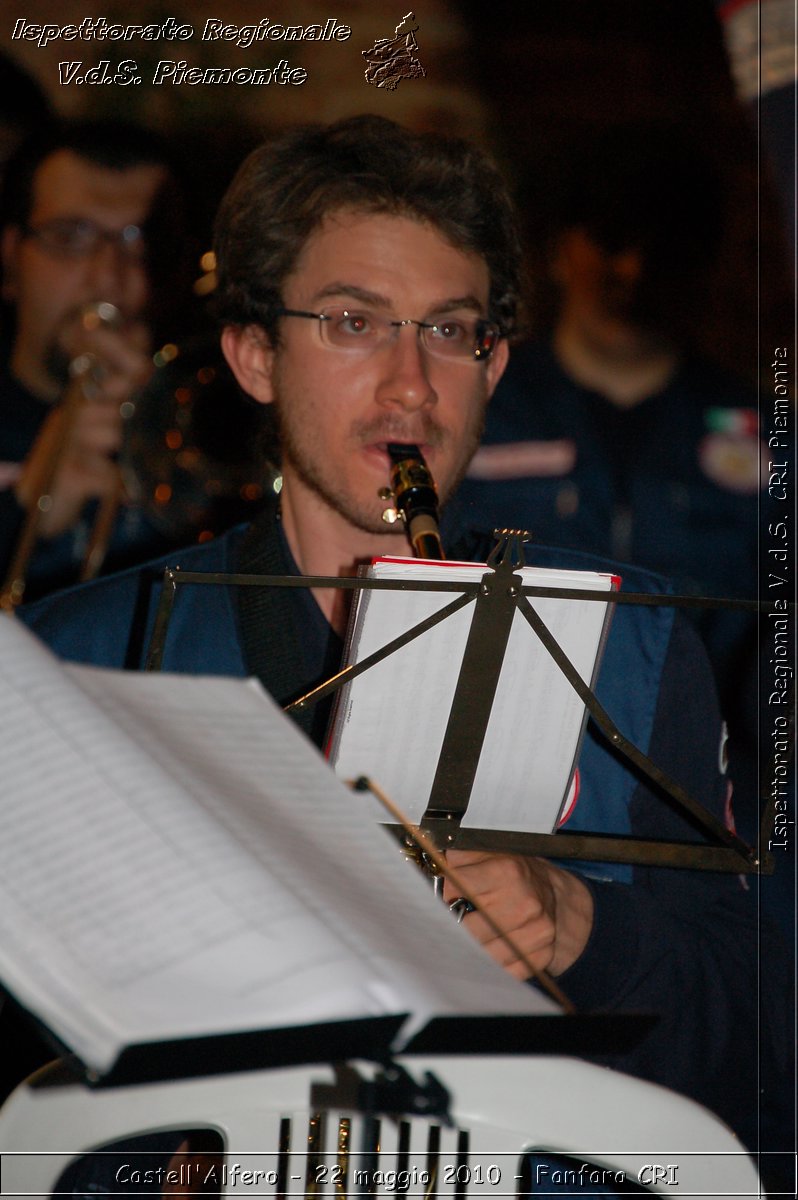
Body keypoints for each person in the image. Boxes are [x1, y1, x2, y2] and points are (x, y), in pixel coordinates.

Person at [16, 116, 788, 1177]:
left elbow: (753, 1057)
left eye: (452, 331)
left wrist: (578, 928)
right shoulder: (83, 657)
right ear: (252, 354)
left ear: (496, 361)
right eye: (351, 323)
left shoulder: (625, 644)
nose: (414, 385)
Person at [449, 125, 769, 835]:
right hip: (503, 789)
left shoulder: (764, 432)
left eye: (666, 248)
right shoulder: (473, 408)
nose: (634, 269)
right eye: (613, 239)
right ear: (563, 249)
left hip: (707, 801)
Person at [0, 120, 192, 604]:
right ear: (9, 259)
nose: (108, 278)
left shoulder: (197, 433)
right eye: (71, 237)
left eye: (139, 241)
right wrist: (24, 510)